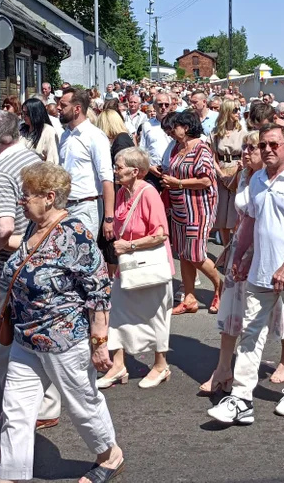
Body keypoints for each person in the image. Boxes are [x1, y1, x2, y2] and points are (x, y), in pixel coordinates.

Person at [0, 162, 125, 483]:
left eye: (27, 196)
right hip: (26, 340)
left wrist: (99, 344)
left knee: (82, 404)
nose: (22, 201)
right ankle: (12, 476)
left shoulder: (75, 235)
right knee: (16, 410)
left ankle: (110, 455)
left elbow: (99, 293)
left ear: (49, 197)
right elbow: (28, 256)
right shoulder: (34, 229)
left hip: (66, 342)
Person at [207, 123, 284, 425]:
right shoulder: (256, 179)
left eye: (274, 144)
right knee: (250, 335)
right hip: (259, 274)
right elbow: (250, 225)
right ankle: (242, 398)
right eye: (264, 144)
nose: (268, 149)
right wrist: (240, 256)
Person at [0, 113, 60, 465]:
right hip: (42, 256)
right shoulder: (31, 156)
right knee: (41, 338)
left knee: (13, 350)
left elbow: (4, 226)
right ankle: (47, 406)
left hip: (18, 262)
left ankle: (18, 428)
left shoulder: (4, 169)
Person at [203, 131, 284, 394]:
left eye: (253, 147)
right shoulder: (245, 176)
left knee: (279, 311)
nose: (247, 152)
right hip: (240, 248)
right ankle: (223, 369)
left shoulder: (272, 180)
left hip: (267, 251)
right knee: (233, 310)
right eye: (247, 147)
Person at [97, 148, 173, 390]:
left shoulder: (149, 193)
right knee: (117, 313)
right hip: (127, 265)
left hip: (150, 265)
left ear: (136, 171)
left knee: (155, 316)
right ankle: (118, 365)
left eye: (119, 167)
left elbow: (161, 234)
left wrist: (129, 244)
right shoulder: (121, 193)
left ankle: (161, 365)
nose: (115, 170)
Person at [162, 111, 222, 315]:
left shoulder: (200, 149)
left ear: (185, 127)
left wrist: (177, 182)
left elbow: (206, 180)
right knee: (184, 255)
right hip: (180, 207)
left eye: (174, 127)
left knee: (196, 254)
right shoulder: (179, 148)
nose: (171, 132)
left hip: (198, 208)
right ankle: (189, 298)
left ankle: (220, 286)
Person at [57, 88, 116, 254]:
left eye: (63, 105)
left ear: (77, 109)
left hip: (85, 206)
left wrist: (109, 218)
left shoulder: (95, 136)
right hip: (65, 206)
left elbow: (106, 178)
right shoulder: (65, 135)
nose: (58, 108)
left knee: (84, 256)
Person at [211, 100, 246, 262]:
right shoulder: (216, 133)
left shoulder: (243, 132)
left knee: (235, 214)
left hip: (238, 170)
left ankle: (236, 250)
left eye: (238, 110)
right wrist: (220, 174)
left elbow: (247, 153)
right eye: (235, 110)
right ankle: (225, 250)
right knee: (222, 216)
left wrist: (240, 169)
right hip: (222, 170)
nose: (238, 113)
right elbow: (212, 157)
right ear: (227, 112)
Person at [20, 98, 59, 164]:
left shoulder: (48, 131)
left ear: (36, 114)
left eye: (27, 114)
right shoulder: (21, 129)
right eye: (23, 113)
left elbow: (52, 159)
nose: (24, 116)